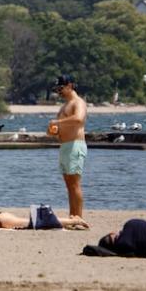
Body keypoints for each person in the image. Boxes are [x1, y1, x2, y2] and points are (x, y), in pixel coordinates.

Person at [46, 73, 87, 218]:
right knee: (69, 184)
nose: (59, 92)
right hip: (64, 146)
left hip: (75, 145)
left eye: (61, 88)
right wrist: (53, 130)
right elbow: (58, 128)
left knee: (75, 183)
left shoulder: (78, 102)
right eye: (57, 89)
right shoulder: (64, 106)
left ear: (70, 86)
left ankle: (79, 217)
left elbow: (78, 119)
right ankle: (72, 215)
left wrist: (57, 123)